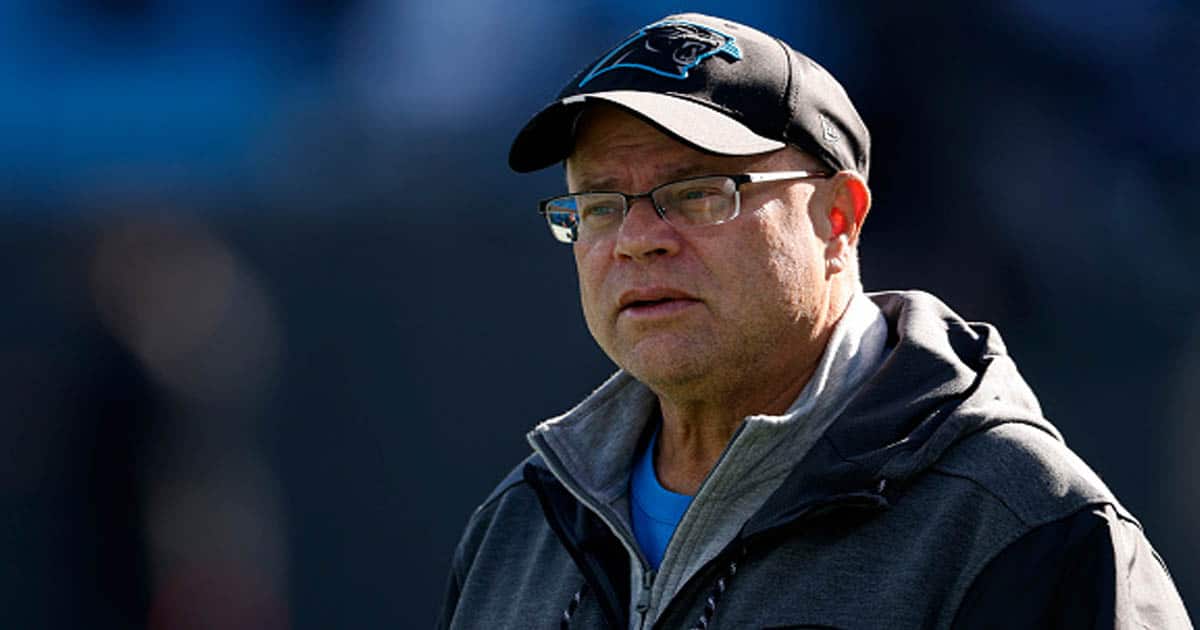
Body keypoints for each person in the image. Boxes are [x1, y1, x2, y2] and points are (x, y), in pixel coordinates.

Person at [438, 13, 1192, 630]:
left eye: (700, 192)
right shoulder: (521, 526)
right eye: (600, 205)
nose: (637, 238)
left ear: (840, 216)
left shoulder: (1023, 521)